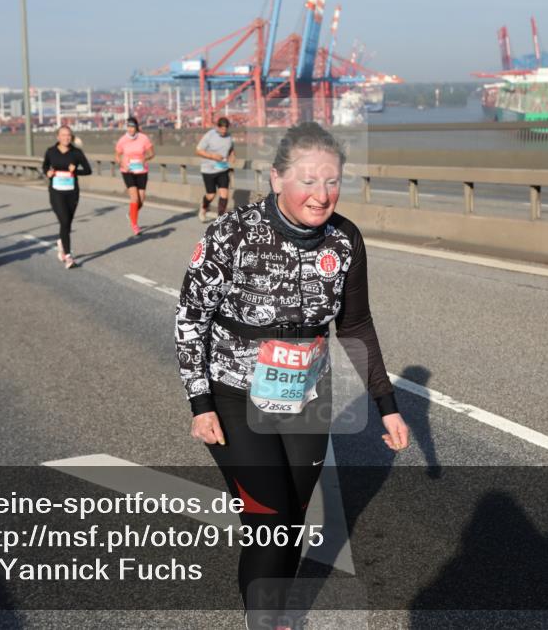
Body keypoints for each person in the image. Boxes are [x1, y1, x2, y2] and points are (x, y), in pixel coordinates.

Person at [174, 122, 409, 630]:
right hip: (234, 393)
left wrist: (387, 405)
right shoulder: (230, 233)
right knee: (267, 518)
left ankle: (277, 616)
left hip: (305, 394)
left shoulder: (345, 239)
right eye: (308, 180)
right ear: (277, 178)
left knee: (293, 520)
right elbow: (191, 319)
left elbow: (354, 325)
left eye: (332, 181)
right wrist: (201, 403)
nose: (321, 195)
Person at [42, 125, 91, 269]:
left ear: (72, 137)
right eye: (63, 135)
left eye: (69, 135)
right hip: (56, 192)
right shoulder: (51, 152)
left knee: (67, 223)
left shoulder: (76, 153)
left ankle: (61, 243)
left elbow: (88, 170)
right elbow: (45, 166)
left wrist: (76, 171)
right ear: (58, 137)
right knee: (64, 220)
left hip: (72, 192)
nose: (66, 137)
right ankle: (69, 257)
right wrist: (48, 173)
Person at [114, 117, 154, 235]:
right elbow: (117, 155)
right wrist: (121, 163)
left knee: (141, 200)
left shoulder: (144, 138)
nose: (131, 129)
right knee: (134, 198)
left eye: (133, 127)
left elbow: (152, 153)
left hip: (141, 171)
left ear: (136, 127)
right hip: (128, 171)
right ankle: (135, 225)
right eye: (129, 127)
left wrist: (145, 158)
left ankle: (131, 214)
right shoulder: (122, 140)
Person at [196, 116, 236, 222]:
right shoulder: (209, 135)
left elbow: (231, 148)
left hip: (223, 169)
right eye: (222, 128)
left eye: (226, 129)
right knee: (211, 195)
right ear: (217, 127)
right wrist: (212, 156)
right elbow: (198, 151)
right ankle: (204, 207)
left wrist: (232, 155)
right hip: (208, 170)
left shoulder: (229, 136)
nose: (224, 131)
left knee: (224, 194)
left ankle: (220, 219)